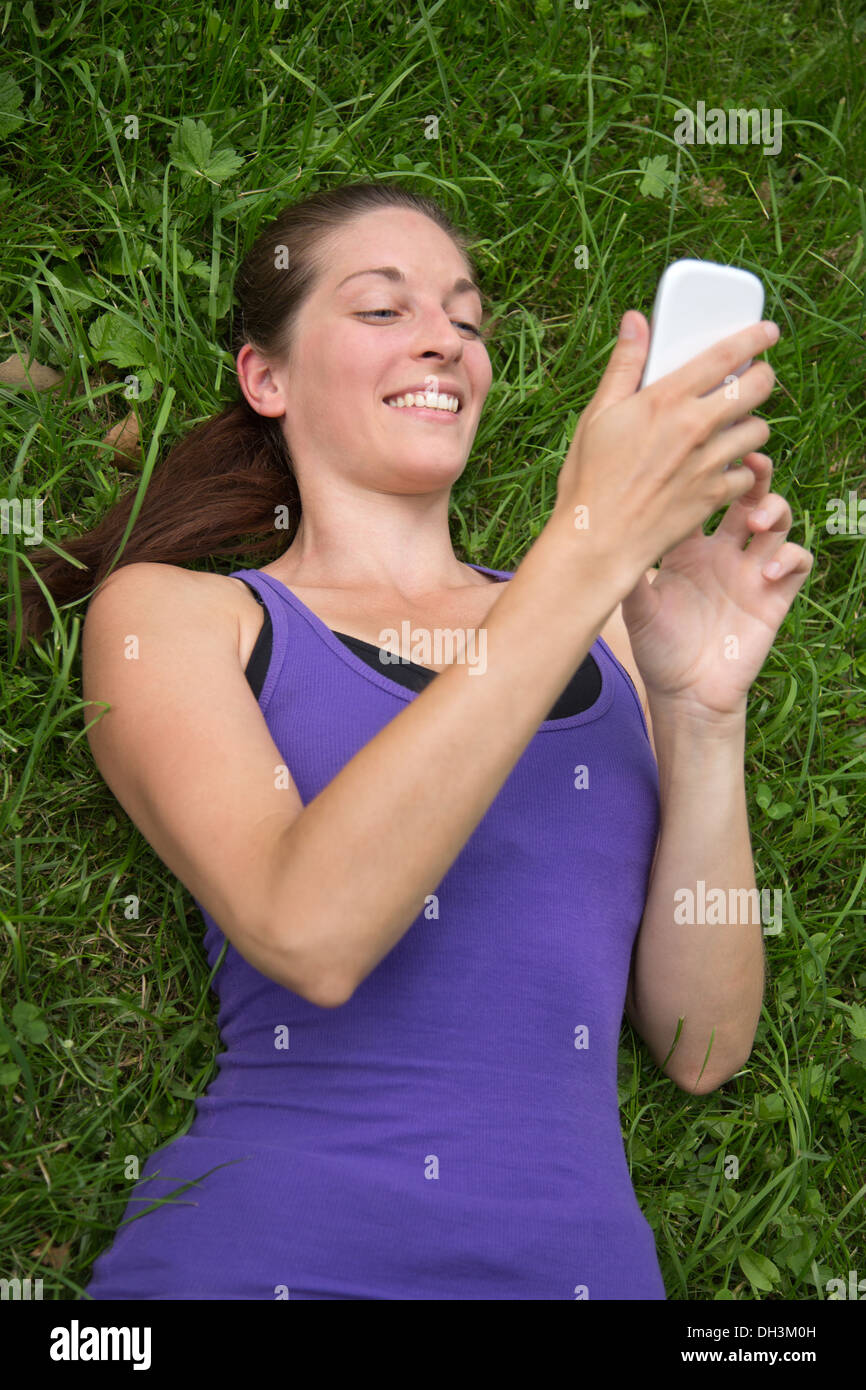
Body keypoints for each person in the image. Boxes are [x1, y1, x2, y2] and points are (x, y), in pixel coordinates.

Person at [19, 181, 812, 1300]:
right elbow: (310, 931)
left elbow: (701, 1045)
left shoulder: (610, 640)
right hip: (266, 1262)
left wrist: (699, 709)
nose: (444, 337)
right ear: (267, 377)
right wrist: (583, 552)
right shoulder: (179, 619)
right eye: (383, 310)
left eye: (465, 317)